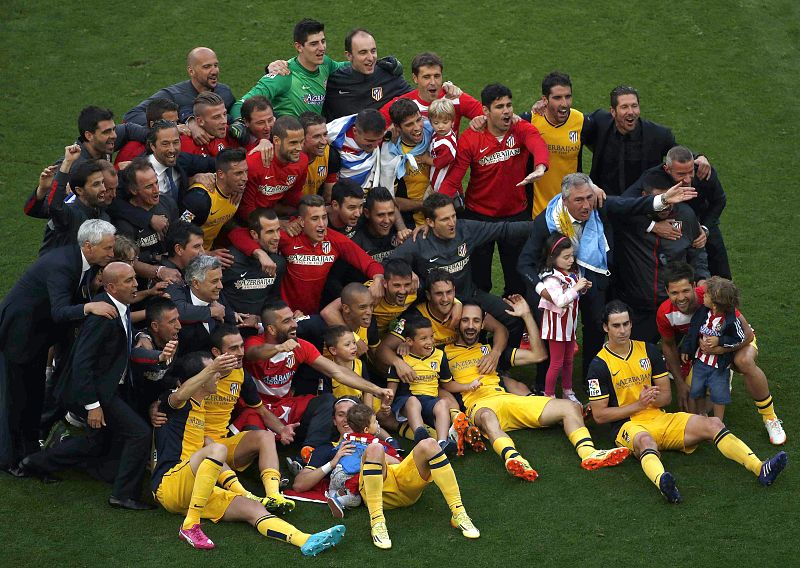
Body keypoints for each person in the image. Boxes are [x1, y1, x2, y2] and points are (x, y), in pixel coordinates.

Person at [587, 301, 788, 503]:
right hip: (629, 426)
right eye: (616, 326)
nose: (622, 330)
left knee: (714, 424)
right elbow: (600, 415)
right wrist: (638, 405)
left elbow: (666, 397)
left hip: (660, 418)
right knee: (646, 442)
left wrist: (652, 400)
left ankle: (760, 467)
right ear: (606, 327)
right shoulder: (598, 365)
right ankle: (663, 483)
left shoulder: (648, 351)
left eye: (626, 324)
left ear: (631, 324)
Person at [151, 351, 345, 555]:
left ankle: (305, 540)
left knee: (253, 508)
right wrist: (212, 368)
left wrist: (242, 492)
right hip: (170, 484)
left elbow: (211, 458)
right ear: (199, 378)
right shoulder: (176, 401)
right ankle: (190, 525)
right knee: (217, 448)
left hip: (194, 490)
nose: (219, 375)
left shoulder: (201, 408)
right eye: (214, 371)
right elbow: (178, 395)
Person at [517, 172, 698, 378]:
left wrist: (663, 200)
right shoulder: (548, 222)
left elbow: (630, 206)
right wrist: (544, 291)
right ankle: (542, 384)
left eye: (589, 197)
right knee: (551, 330)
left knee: (595, 325)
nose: (586, 205)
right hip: (557, 284)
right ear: (565, 201)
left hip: (594, 277)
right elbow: (525, 263)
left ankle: (590, 376)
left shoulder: (599, 205)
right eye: (579, 200)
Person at [20, 263, 154, 510]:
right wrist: (93, 406)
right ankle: (123, 495)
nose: (136, 284)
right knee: (140, 433)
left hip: (107, 388)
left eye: (135, 278)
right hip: (96, 393)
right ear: (111, 287)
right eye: (129, 281)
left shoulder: (118, 307)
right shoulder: (103, 318)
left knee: (96, 442)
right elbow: (82, 363)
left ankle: (35, 462)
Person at [447, 298, 628, 479]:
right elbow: (439, 388)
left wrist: (526, 316)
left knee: (570, 406)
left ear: (483, 323)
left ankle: (589, 452)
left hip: (508, 400)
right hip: (480, 406)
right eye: (465, 320)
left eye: (476, 321)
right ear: (457, 321)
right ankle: (514, 458)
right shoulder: (444, 354)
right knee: (487, 417)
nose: (470, 326)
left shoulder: (491, 351)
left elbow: (538, 354)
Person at [0, 219, 117, 469]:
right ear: (89, 246)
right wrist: (89, 305)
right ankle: (10, 460)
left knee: (32, 396)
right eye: (107, 248)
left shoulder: (81, 261)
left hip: (36, 334)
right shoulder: (63, 266)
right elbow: (60, 311)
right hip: (20, 335)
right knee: (15, 398)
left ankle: (29, 454)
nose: (112, 253)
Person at [656, 262, 785, 444]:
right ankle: (722, 385)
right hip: (707, 353)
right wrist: (679, 383)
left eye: (685, 290)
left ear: (694, 286)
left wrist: (721, 349)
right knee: (694, 406)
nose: (681, 298)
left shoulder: (711, 295)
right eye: (674, 293)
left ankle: (770, 418)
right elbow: (668, 346)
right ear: (667, 292)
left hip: (736, 342)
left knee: (744, 362)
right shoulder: (665, 313)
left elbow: (747, 334)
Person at [439, 83, 549, 296]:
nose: (507, 111)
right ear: (486, 111)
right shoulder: (470, 139)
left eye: (509, 105)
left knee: (517, 280)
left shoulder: (521, 128)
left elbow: (537, 143)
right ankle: (479, 326)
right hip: (479, 218)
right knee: (479, 280)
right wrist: (434, 213)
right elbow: (454, 178)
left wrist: (541, 166)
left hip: (516, 217)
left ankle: (514, 328)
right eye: (499, 107)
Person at [238, 300, 393, 447]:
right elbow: (253, 353)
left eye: (293, 319)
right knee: (253, 435)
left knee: (326, 401)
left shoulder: (300, 346)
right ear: (271, 329)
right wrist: (279, 348)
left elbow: (337, 372)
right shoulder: (254, 342)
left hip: (285, 405)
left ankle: (310, 450)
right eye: (286, 321)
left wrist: (376, 390)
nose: (294, 324)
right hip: (257, 408)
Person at [388, 193, 531, 346]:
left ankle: (501, 364)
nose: (452, 223)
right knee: (415, 339)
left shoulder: (465, 229)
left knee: (514, 319)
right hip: (437, 303)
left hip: (470, 295)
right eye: (444, 219)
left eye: (453, 216)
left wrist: (546, 225)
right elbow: (388, 263)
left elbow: (504, 229)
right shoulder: (417, 243)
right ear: (430, 222)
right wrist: (408, 273)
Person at [228, 195, 385, 316]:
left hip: (313, 313)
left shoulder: (335, 240)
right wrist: (260, 253)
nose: (322, 224)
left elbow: (369, 263)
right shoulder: (288, 236)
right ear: (301, 221)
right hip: (282, 313)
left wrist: (378, 279)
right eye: (315, 219)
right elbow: (237, 234)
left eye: (324, 217)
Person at [357, 403, 480, 549]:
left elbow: (397, 460)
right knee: (375, 449)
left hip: (402, 482)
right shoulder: (342, 446)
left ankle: (459, 513)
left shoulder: (380, 439)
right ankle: (377, 522)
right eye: (339, 414)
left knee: (430, 443)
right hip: (380, 492)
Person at [614, 169, 709, 342]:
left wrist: (702, 278)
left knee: (687, 353)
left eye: (669, 199)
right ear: (645, 196)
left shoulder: (686, 215)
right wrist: (650, 225)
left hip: (677, 303)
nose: (666, 206)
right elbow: (610, 208)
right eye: (661, 200)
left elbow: (697, 253)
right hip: (638, 304)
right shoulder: (629, 217)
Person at [623, 145, 731, 278]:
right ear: (667, 169)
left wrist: (705, 228)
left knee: (722, 272)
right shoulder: (652, 177)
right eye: (680, 174)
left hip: (702, 220)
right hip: (669, 221)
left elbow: (719, 201)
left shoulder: (703, 171)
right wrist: (653, 226)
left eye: (690, 172)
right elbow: (625, 205)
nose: (687, 179)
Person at [582, 85, 711, 196]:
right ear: (613, 111)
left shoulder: (658, 135)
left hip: (642, 206)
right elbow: (575, 126)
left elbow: (677, 151)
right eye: (624, 107)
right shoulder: (600, 122)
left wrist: (699, 156)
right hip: (605, 203)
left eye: (634, 106)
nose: (631, 112)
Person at [231, 19, 347, 119]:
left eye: (323, 41)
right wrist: (239, 123)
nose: (322, 48)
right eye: (314, 44)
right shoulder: (283, 74)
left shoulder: (325, 64)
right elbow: (239, 105)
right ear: (299, 47)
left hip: (314, 139)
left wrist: (363, 57)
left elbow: (349, 67)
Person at [521, 71, 588, 216]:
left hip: (570, 212)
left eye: (568, 97)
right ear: (545, 100)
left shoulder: (582, 122)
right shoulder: (530, 121)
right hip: (536, 213)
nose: (564, 104)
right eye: (557, 98)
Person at [388, 316, 459, 452]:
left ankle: (442, 442)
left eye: (431, 336)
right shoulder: (401, 359)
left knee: (443, 403)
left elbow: (447, 384)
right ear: (409, 341)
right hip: (406, 401)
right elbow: (391, 387)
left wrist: (469, 385)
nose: (430, 342)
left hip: (430, 401)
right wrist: (386, 404)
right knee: (413, 401)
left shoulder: (439, 355)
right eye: (423, 338)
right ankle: (421, 438)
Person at [536, 233, 591, 402]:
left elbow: (572, 296)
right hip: (556, 329)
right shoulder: (551, 278)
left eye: (572, 256)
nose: (571, 260)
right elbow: (559, 301)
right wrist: (576, 288)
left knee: (568, 361)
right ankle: (549, 396)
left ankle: (567, 391)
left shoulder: (569, 274)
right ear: (553, 258)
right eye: (566, 257)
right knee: (556, 363)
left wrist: (582, 288)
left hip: (569, 326)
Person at [679, 277, 743, 421]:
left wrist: (720, 341)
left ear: (715, 302)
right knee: (697, 390)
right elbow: (693, 330)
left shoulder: (731, 320)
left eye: (706, 295)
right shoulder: (703, 312)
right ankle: (703, 415)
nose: (703, 296)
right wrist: (686, 349)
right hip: (700, 361)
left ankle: (718, 423)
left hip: (719, 366)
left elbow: (738, 338)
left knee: (719, 393)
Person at [123, 47, 236, 126]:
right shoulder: (173, 95)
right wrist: (170, 128)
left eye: (215, 65)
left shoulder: (224, 92)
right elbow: (133, 115)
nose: (214, 71)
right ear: (191, 71)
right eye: (206, 67)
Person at [322, 28, 412, 120]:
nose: (370, 58)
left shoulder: (388, 75)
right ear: (349, 55)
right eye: (363, 52)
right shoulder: (334, 82)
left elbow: (414, 98)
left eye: (373, 51)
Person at [379, 52, 481, 131]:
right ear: (415, 78)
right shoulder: (402, 104)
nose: (433, 82)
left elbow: (489, 117)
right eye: (426, 77)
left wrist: (480, 121)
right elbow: (373, 126)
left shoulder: (454, 97)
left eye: (437, 76)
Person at [39, 150, 111, 253]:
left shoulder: (100, 209)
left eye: (103, 182)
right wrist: (67, 163)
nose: (103, 188)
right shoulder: (70, 214)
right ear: (79, 191)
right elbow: (55, 205)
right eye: (96, 184)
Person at [239, 115, 308, 221]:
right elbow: (246, 209)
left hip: (275, 213)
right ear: (276, 141)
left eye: (301, 142)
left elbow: (294, 195)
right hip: (250, 220)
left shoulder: (302, 161)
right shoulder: (254, 163)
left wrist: (304, 215)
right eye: (293, 143)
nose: (299, 148)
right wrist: (279, 225)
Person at [179, 147, 248, 251]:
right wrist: (206, 254)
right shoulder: (198, 200)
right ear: (221, 174)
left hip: (211, 248)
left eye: (246, 171)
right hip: (192, 256)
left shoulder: (237, 190)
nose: (245, 178)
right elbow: (179, 233)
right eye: (238, 173)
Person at [222, 208, 286, 322]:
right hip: (230, 324)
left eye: (278, 230)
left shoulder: (278, 263)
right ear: (254, 234)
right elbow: (214, 294)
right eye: (270, 232)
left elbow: (273, 298)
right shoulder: (229, 260)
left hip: (261, 326)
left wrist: (260, 319)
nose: (277, 237)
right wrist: (230, 314)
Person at [379, 99, 433, 228]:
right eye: (409, 125)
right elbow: (390, 198)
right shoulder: (390, 153)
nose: (417, 127)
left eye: (419, 120)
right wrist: (402, 229)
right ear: (397, 127)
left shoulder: (434, 133)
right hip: (414, 222)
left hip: (444, 214)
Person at [170, 255, 237, 355]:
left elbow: (230, 325)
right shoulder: (179, 295)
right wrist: (211, 312)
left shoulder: (218, 297)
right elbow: (179, 312)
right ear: (196, 283)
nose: (220, 286)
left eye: (220, 280)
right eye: (214, 281)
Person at [130, 298, 180, 419]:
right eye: (172, 321)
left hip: (158, 401)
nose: (179, 326)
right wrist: (159, 357)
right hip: (133, 405)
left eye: (178, 318)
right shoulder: (142, 343)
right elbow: (134, 354)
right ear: (155, 326)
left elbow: (168, 377)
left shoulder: (173, 339)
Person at [326, 108, 387, 188]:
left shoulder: (388, 134)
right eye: (370, 141)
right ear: (355, 131)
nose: (376, 146)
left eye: (379, 139)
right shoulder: (331, 134)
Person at [115, 99, 180, 167]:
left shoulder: (179, 139)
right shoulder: (132, 152)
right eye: (169, 123)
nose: (176, 127)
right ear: (152, 124)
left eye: (176, 122)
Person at [179, 92, 239, 157]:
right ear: (200, 121)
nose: (224, 121)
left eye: (224, 114)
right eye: (216, 117)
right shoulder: (184, 144)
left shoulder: (232, 133)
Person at [299, 111, 340, 201]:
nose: (324, 141)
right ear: (302, 138)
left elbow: (328, 196)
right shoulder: (289, 157)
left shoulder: (331, 155)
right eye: (317, 136)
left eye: (325, 134)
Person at [427, 98, 458, 192]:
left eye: (445, 122)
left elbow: (440, 163)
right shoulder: (441, 134)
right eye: (436, 123)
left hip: (440, 183)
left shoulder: (446, 144)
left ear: (452, 122)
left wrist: (425, 159)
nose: (440, 126)